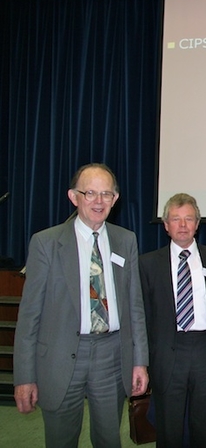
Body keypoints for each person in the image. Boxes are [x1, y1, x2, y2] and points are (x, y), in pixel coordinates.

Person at [13, 163, 149, 447]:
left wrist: (140, 361)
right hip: (60, 358)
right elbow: (29, 317)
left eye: (106, 194)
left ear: (115, 199)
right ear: (74, 197)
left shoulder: (126, 241)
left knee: (109, 439)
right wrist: (24, 377)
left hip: (111, 356)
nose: (99, 201)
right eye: (90, 193)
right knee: (61, 439)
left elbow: (135, 307)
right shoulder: (46, 243)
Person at [139, 193, 206, 447]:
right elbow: (145, 317)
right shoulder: (147, 264)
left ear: (197, 224)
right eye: (176, 219)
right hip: (169, 354)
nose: (182, 225)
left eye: (188, 218)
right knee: (169, 430)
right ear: (165, 225)